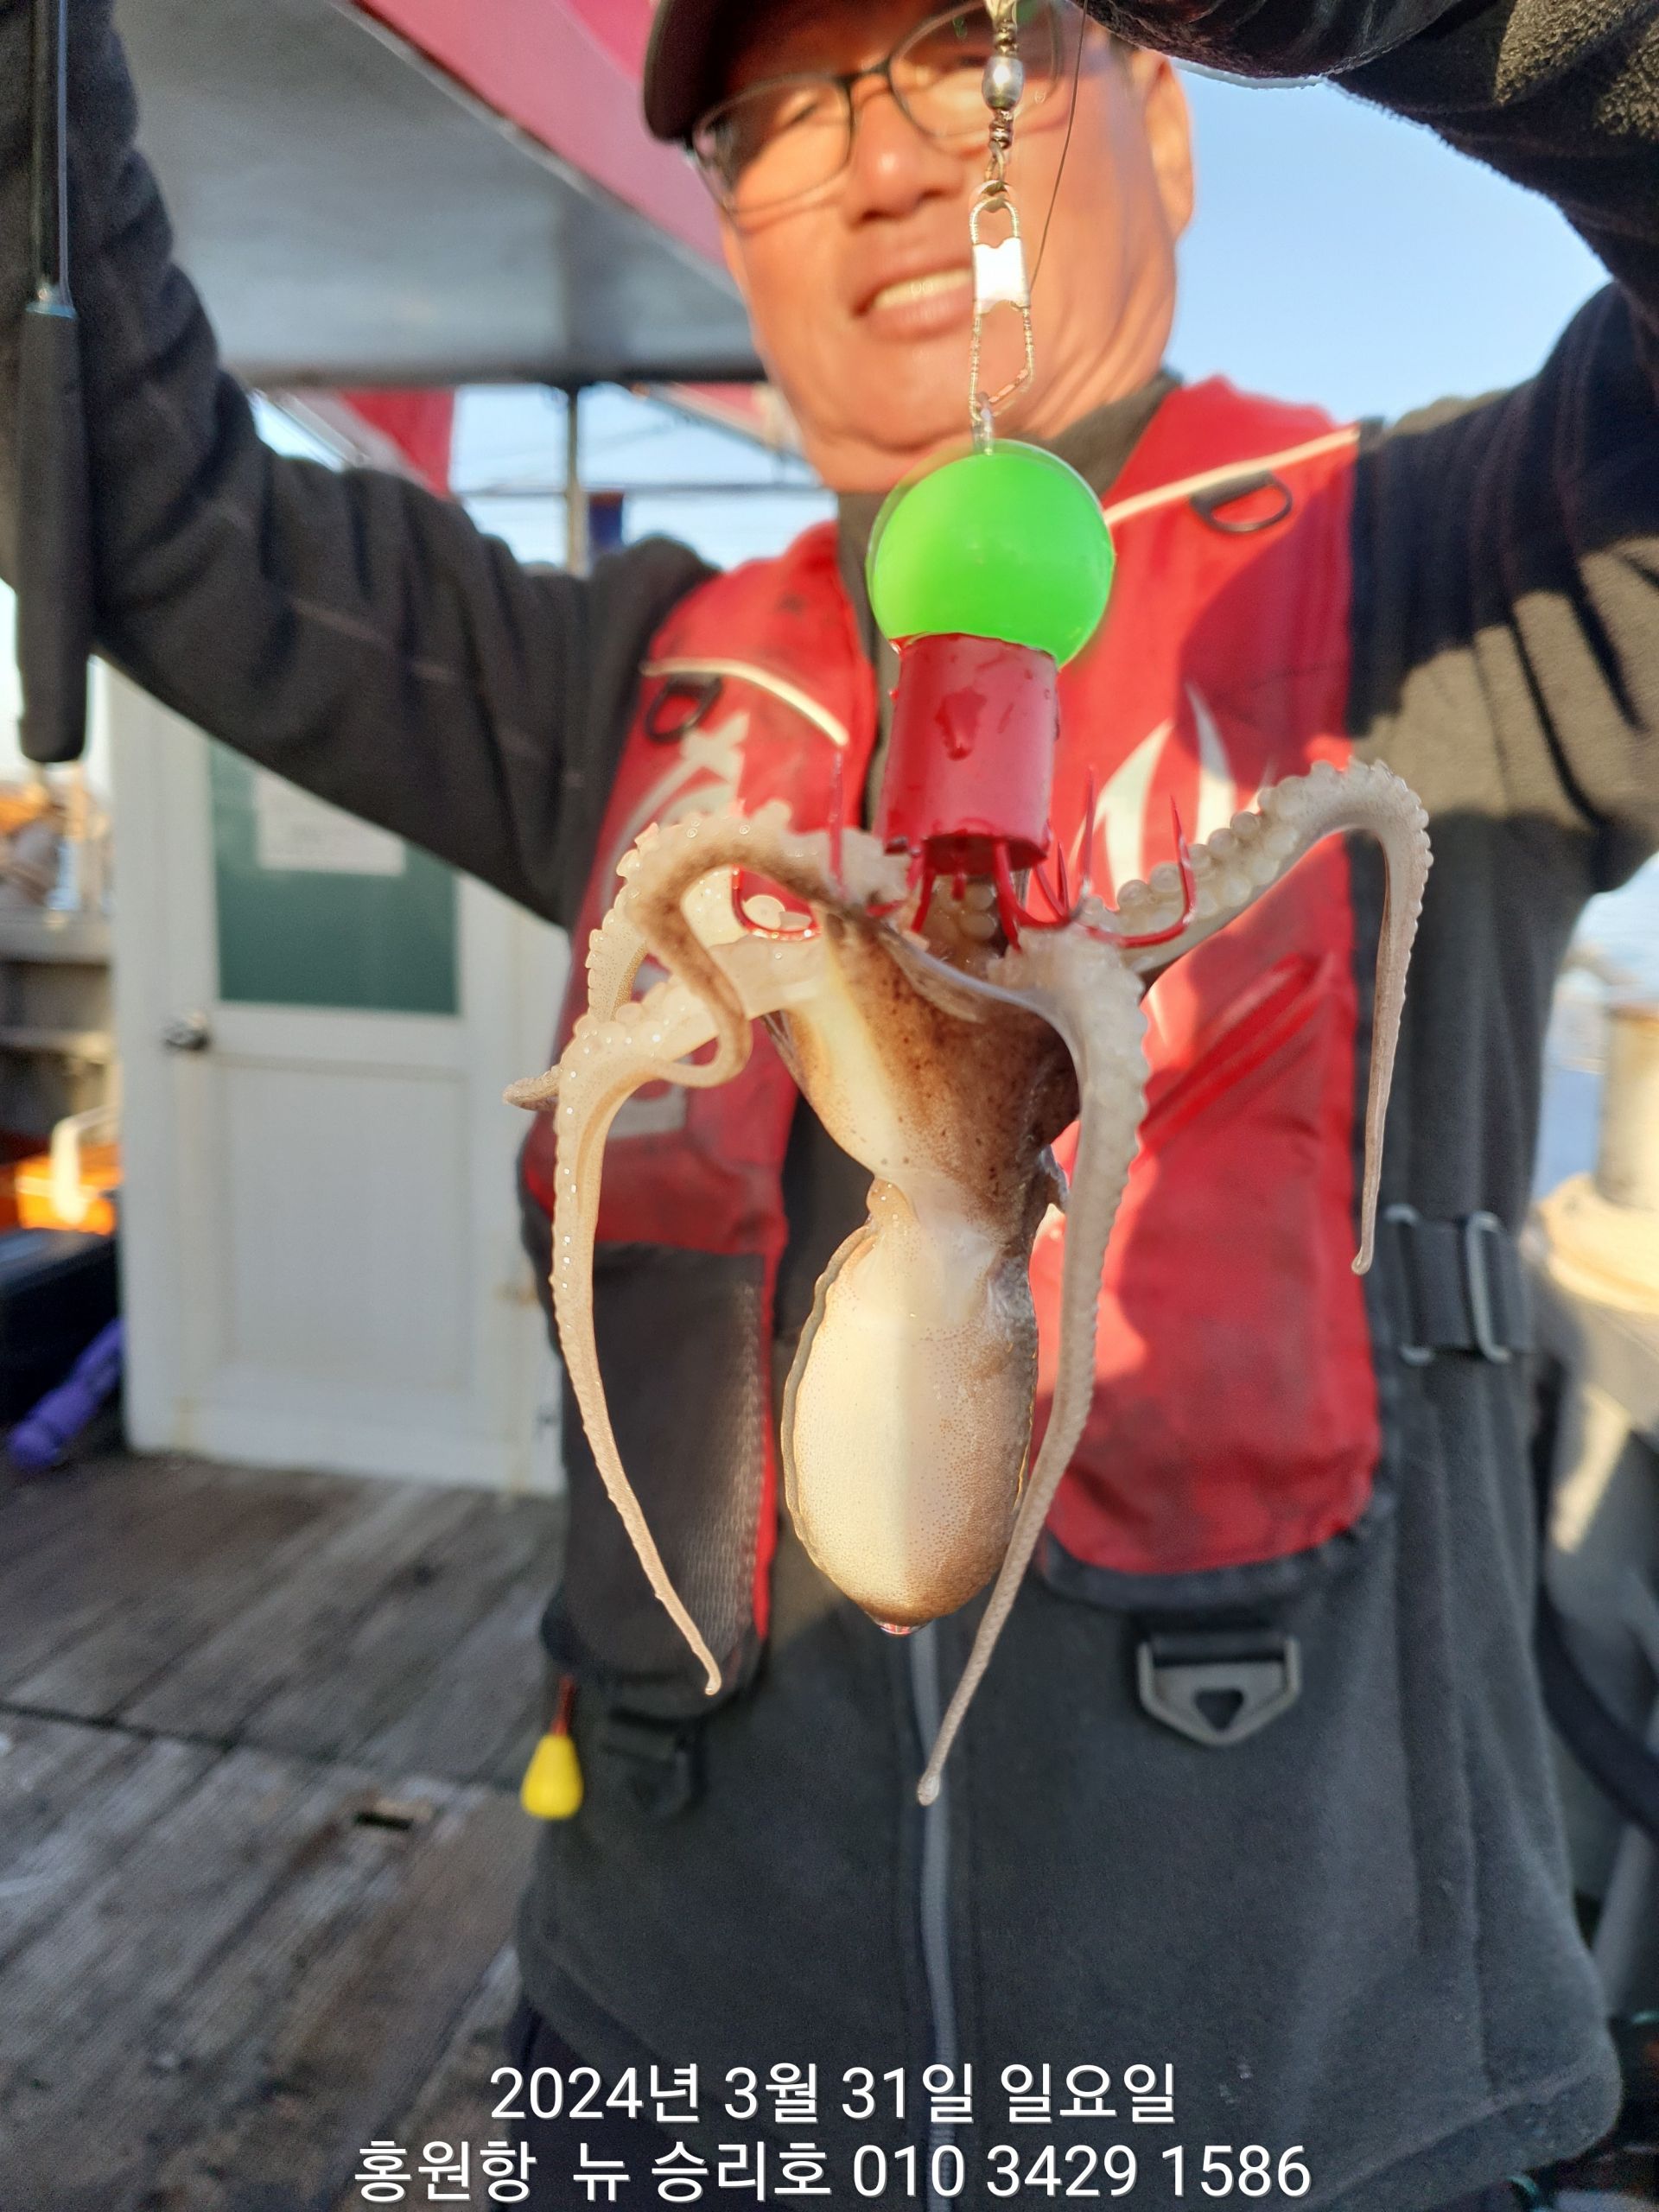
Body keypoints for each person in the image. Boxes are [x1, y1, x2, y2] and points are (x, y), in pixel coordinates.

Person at [2, 0, 1656, 2203]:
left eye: (974, 51)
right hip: (670, 2088)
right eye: (777, 116)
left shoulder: (1470, 579)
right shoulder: (627, 688)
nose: (883, 168)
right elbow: (155, 512)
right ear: (728, 222)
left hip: (1323, 2123)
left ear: (1169, 119)